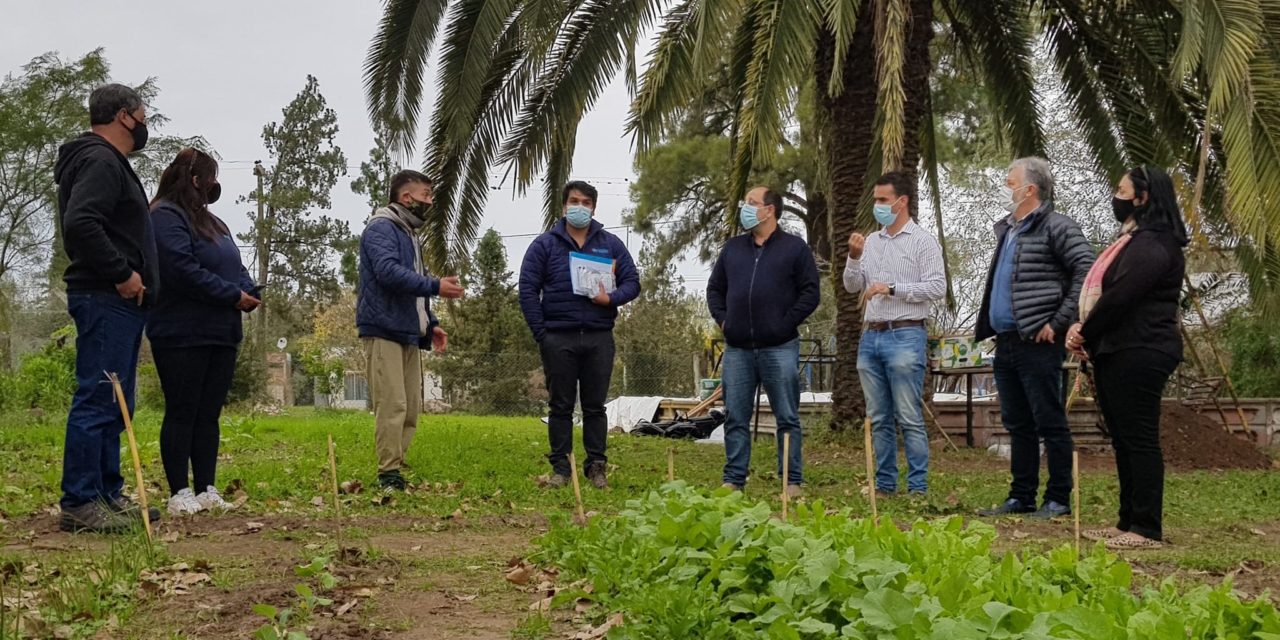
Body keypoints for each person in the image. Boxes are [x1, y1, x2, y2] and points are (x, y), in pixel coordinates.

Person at [53, 83, 161, 533]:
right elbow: (80, 222)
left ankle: (105, 494)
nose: (145, 122)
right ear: (124, 116)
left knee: (115, 402)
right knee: (99, 397)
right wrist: (122, 273)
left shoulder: (105, 161)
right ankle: (79, 501)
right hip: (104, 296)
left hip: (114, 301)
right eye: (143, 113)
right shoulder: (99, 159)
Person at [1067, 166, 1187, 549]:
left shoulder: (1155, 244)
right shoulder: (1132, 240)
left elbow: (1120, 296)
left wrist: (1085, 330)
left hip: (1142, 349)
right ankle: (1127, 522)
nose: (1115, 197)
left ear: (1143, 197)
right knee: (1122, 438)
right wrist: (1083, 328)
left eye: (1121, 190)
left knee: (1139, 438)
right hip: (1118, 348)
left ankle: (1147, 527)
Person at [976, 157, 1095, 519]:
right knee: (1017, 423)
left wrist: (1059, 322)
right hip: (1007, 341)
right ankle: (1021, 496)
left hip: (1039, 343)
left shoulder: (1057, 226)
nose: (1005, 188)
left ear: (1030, 189)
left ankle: (1058, 498)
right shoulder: (1009, 230)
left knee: (1049, 421)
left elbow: (1087, 270)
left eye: (1009, 181)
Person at [147, 149, 259, 516]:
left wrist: (249, 288)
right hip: (182, 332)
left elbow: (235, 265)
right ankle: (179, 490)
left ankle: (206, 487)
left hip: (221, 331)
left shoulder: (215, 223)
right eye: (210, 178)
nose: (214, 186)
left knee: (208, 413)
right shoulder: (164, 216)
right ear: (195, 179)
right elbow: (181, 269)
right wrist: (231, 294)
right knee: (183, 409)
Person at [519, 181, 640, 489]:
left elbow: (632, 282)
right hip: (558, 337)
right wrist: (542, 334)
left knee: (595, 406)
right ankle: (561, 468)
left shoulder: (610, 244)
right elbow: (528, 290)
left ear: (594, 208)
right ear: (563, 206)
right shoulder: (544, 245)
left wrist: (610, 299)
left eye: (586, 202)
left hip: (599, 337)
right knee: (560, 405)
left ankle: (596, 467)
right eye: (574, 201)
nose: (580, 207)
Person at [707, 186, 820, 495]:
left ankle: (791, 481)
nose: (745, 207)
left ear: (769, 210)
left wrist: (784, 323)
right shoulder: (732, 249)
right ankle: (734, 480)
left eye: (751, 203)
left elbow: (811, 293)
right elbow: (714, 289)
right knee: (735, 416)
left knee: (786, 416)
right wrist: (725, 320)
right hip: (738, 349)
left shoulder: (795, 248)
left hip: (780, 347)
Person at [357, 170, 465, 491]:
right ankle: (388, 474)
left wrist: (431, 324)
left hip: (407, 330)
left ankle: (397, 465)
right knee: (392, 405)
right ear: (407, 198)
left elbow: (413, 285)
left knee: (410, 408)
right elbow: (388, 273)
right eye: (427, 196)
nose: (430, 202)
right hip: (383, 328)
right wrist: (435, 286)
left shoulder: (409, 234)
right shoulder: (381, 229)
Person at [843, 172, 946, 496]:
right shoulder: (870, 242)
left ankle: (917, 488)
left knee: (908, 415)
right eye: (875, 199)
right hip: (871, 336)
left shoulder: (922, 241)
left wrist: (893, 289)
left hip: (906, 335)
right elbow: (850, 285)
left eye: (883, 200)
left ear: (902, 202)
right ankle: (885, 485)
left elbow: (937, 287)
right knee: (878, 416)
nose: (877, 206)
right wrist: (854, 258)